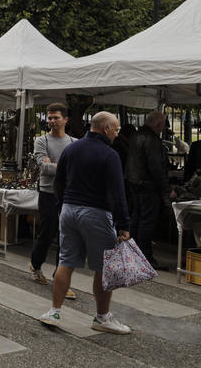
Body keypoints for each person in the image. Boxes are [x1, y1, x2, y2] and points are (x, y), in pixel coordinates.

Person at [39, 111, 132, 335]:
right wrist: (124, 224)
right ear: (106, 129)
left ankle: (54, 311)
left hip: (69, 210)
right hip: (96, 212)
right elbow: (118, 193)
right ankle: (102, 317)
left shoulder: (71, 148)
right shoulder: (109, 155)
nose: (117, 134)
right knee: (104, 267)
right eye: (116, 130)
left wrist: (63, 205)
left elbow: (58, 181)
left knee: (66, 261)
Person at [29, 103, 77, 300]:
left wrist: (55, 166)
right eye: (49, 118)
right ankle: (35, 264)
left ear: (65, 119)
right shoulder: (41, 141)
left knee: (66, 236)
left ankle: (60, 279)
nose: (52, 121)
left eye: (56, 117)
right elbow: (44, 168)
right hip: (48, 192)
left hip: (68, 194)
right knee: (47, 232)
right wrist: (66, 167)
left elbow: (76, 168)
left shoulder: (74, 143)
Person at [125, 111, 175, 271]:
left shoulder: (135, 135)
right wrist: (167, 189)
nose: (163, 129)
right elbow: (156, 167)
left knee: (136, 219)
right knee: (146, 222)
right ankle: (145, 257)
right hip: (147, 185)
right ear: (159, 124)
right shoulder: (151, 139)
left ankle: (134, 255)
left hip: (134, 182)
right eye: (162, 126)